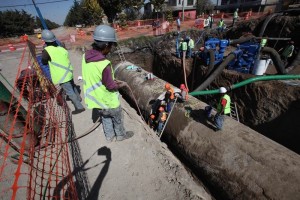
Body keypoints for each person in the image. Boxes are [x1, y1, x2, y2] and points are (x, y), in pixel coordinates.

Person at [81, 25, 134, 142]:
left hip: (96, 101)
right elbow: (110, 86)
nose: (111, 49)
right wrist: (122, 84)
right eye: (111, 45)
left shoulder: (85, 57)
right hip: (108, 100)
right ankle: (120, 135)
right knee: (117, 118)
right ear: (105, 45)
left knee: (105, 118)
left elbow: (96, 77)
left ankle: (110, 137)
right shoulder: (104, 64)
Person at [41, 29, 85, 115]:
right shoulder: (61, 48)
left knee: (69, 91)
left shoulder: (47, 51)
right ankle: (78, 98)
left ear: (45, 41)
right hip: (68, 72)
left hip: (61, 75)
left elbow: (44, 62)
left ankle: (79, 107)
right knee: (72, 86)